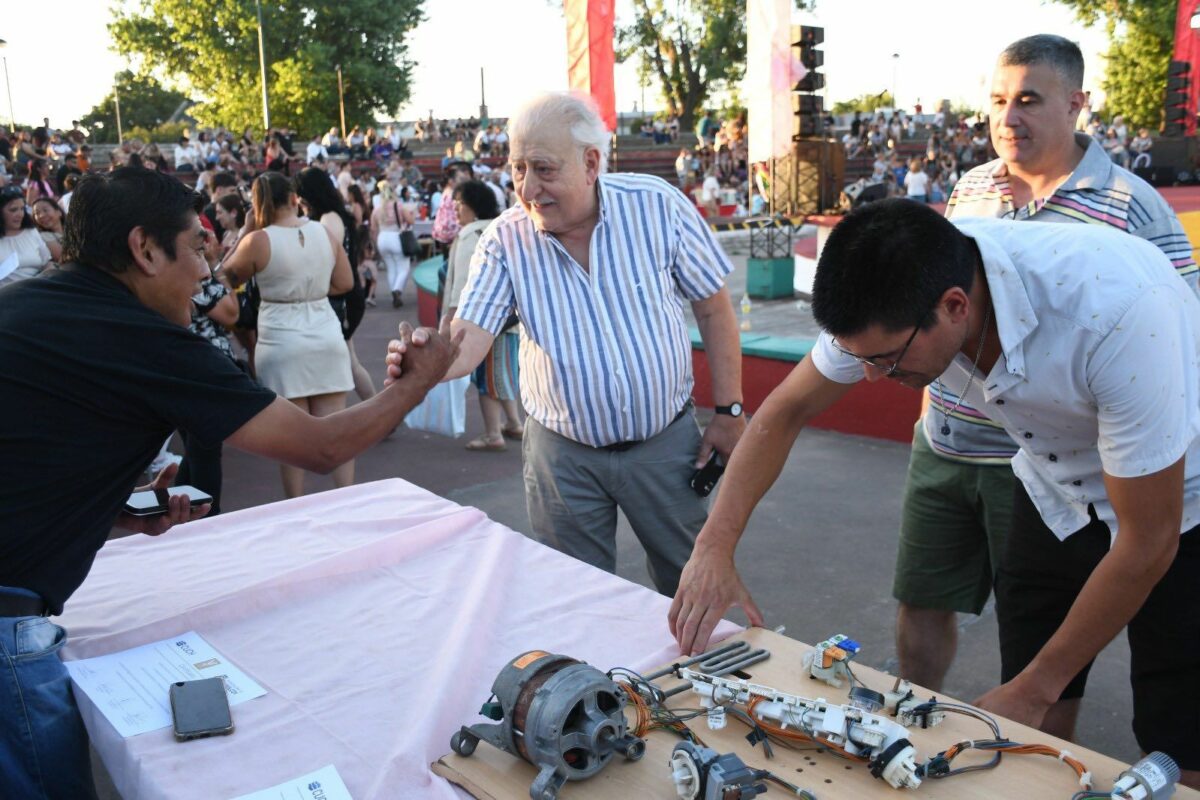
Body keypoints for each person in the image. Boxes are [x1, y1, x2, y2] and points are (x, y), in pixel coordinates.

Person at [689, 197, 1200, 786]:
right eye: (861, 359)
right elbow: (786, 408)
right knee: (1038, 684)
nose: (872, 376)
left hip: (1178, 502)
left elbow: (1148, 539)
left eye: (886, 360)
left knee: (1176, 725)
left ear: (954, 306)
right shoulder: (896, 289)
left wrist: (1032, 691)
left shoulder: (1115, 314)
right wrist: (714, 545)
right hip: (1051, 488)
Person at [0, 167, 460, 798]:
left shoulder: (26, 304)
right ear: (145, 249)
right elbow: (321, 446)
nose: (203, 273)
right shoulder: (145, 341)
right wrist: (416, 383)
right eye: (195, 250)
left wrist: (115, 514)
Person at [387, 91, 745, 597]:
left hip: (665, 446)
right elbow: (468, 341)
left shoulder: (657, 207)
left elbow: (713, 307)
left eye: (544, 169)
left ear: (591, 163)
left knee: (689, 588)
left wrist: (729, 411)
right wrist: (431, 359)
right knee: (578, 599)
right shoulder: (505, 240)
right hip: (563, 460)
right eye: (517, 170)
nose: (528, 189)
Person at [221, 172, 356, 498]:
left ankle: (296, 505)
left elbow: (222, 277)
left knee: (292, 438)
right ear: (294, 198)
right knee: (336, 430)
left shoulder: (258, 241)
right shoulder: (324, 232)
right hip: (324, 331)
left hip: (281, 336)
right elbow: (345, 283)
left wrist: (246, 232)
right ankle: (348, 499)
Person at [442, 179, 523, 451]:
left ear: (472, 206)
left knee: (486, 379)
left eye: (459, 204)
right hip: (508, 321)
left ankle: (492, 434)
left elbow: (462, 286)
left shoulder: (469, 236)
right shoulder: (499, 229)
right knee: (502, 373)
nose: (455, 209)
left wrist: (449, 322)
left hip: (481, 323)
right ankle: (512, 422)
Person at [293, 166, 376, 404]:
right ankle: (378, 411)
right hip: (341, 295)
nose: (297, 200)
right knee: (349, 360)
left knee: (346, 361)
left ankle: (377, 412)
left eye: (299, 194)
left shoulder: (329, 218)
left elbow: (324, 259)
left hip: (341, 297)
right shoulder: (329, 216)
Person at [371, 180, 417, 308]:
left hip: (382, 239)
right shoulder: (399, 205)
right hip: (396, 237)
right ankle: (397, 290)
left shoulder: (377, 209)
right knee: (404, 267)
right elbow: (411, 220)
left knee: (391, 268)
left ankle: (394, 292)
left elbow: (373, 228)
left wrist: (375, 244)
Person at [0, 185, 52, 285]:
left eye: (22, 209)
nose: (20, 214)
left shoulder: (31, 232)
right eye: (13, 210)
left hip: (37, 288)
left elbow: (48, 263)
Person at [31, 196, 66, 264]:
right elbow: (63, 257)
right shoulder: (44, 236)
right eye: (37, 213)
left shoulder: (73, 229)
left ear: (59, 212)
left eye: (45, 210)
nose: (41, 215)